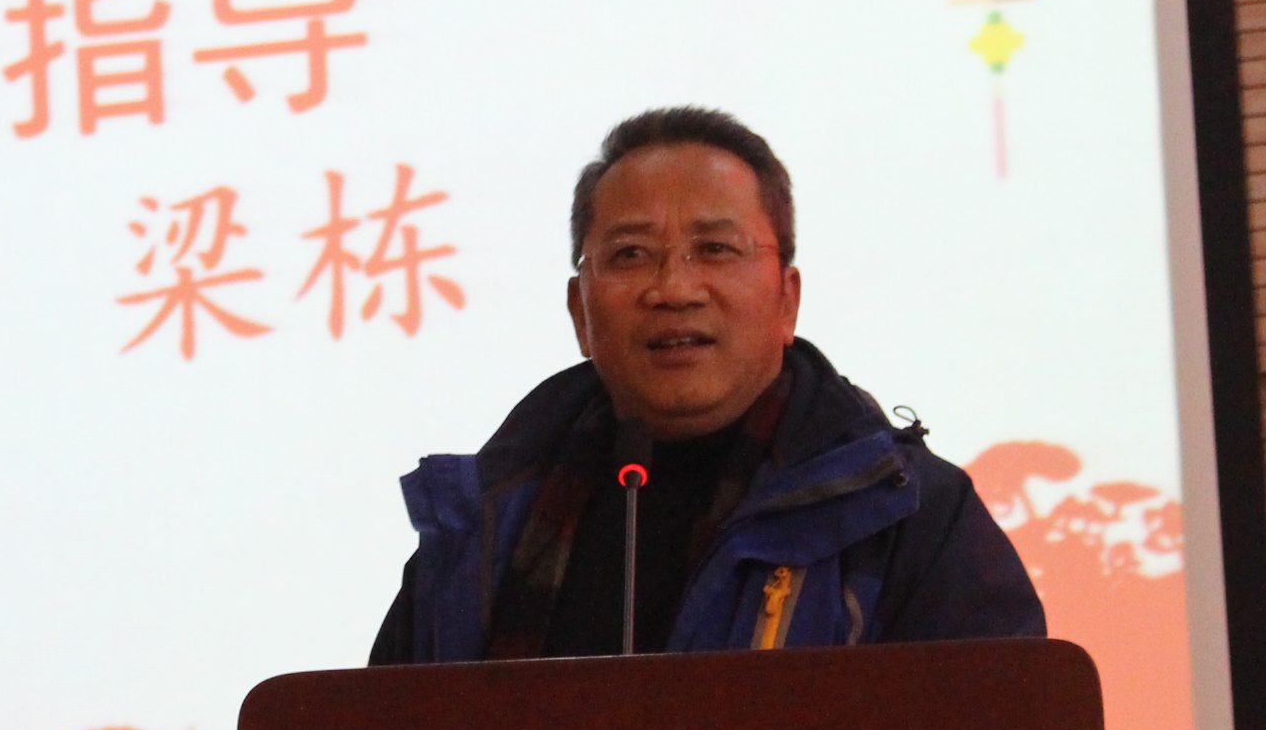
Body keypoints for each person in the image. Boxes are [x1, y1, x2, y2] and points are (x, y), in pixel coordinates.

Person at [370, 105, 1043, 662]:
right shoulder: (483, 524)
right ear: (580, 312)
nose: (674, 289)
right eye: (631, 255)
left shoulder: (908, 515)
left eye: (715, 249)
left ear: (787, 299)